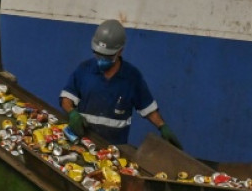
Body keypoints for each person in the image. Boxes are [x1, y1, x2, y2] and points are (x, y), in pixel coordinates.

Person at [60, 19, 182, 149]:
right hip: (83, 143)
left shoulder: (132, 77)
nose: (101, 60)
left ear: (120, 51)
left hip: (114, 150)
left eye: (107, 56)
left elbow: (147, 108)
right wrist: (72, 113)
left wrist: (162, 126)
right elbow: (66, 98)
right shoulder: (84, 70)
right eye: (98, 54)